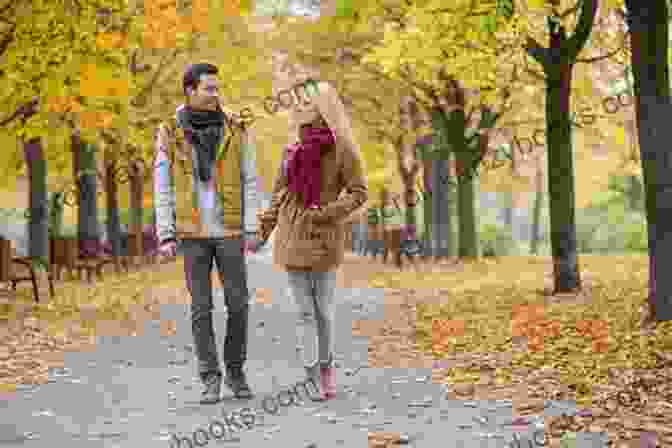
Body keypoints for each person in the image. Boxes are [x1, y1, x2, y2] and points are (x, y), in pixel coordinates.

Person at [154, 63, 262, 404]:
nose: (216, 93)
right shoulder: (169, 130)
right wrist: (166, 233)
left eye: (217, 88)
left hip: (229, 229)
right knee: (201, 308)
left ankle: (235, 371)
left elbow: (249, 178)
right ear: (190, 90)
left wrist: (250, 227)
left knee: (239, 304)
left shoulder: (235, 125)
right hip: (191, 232)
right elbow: (162, 183)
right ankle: (210, 376)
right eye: (209, 88)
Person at [257, 79, 368, 400]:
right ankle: (311, 376)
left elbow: (359, 193)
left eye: (308, 102)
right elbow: (279, 196)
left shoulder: (343, 148)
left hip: (324, 236)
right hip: (292, 237)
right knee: (304, 312)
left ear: (324, 106)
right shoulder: (290, 150)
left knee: (323, 311)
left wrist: (328, 212)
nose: (301, 107)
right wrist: (262, 232)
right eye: (299, 103)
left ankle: (326, 370)